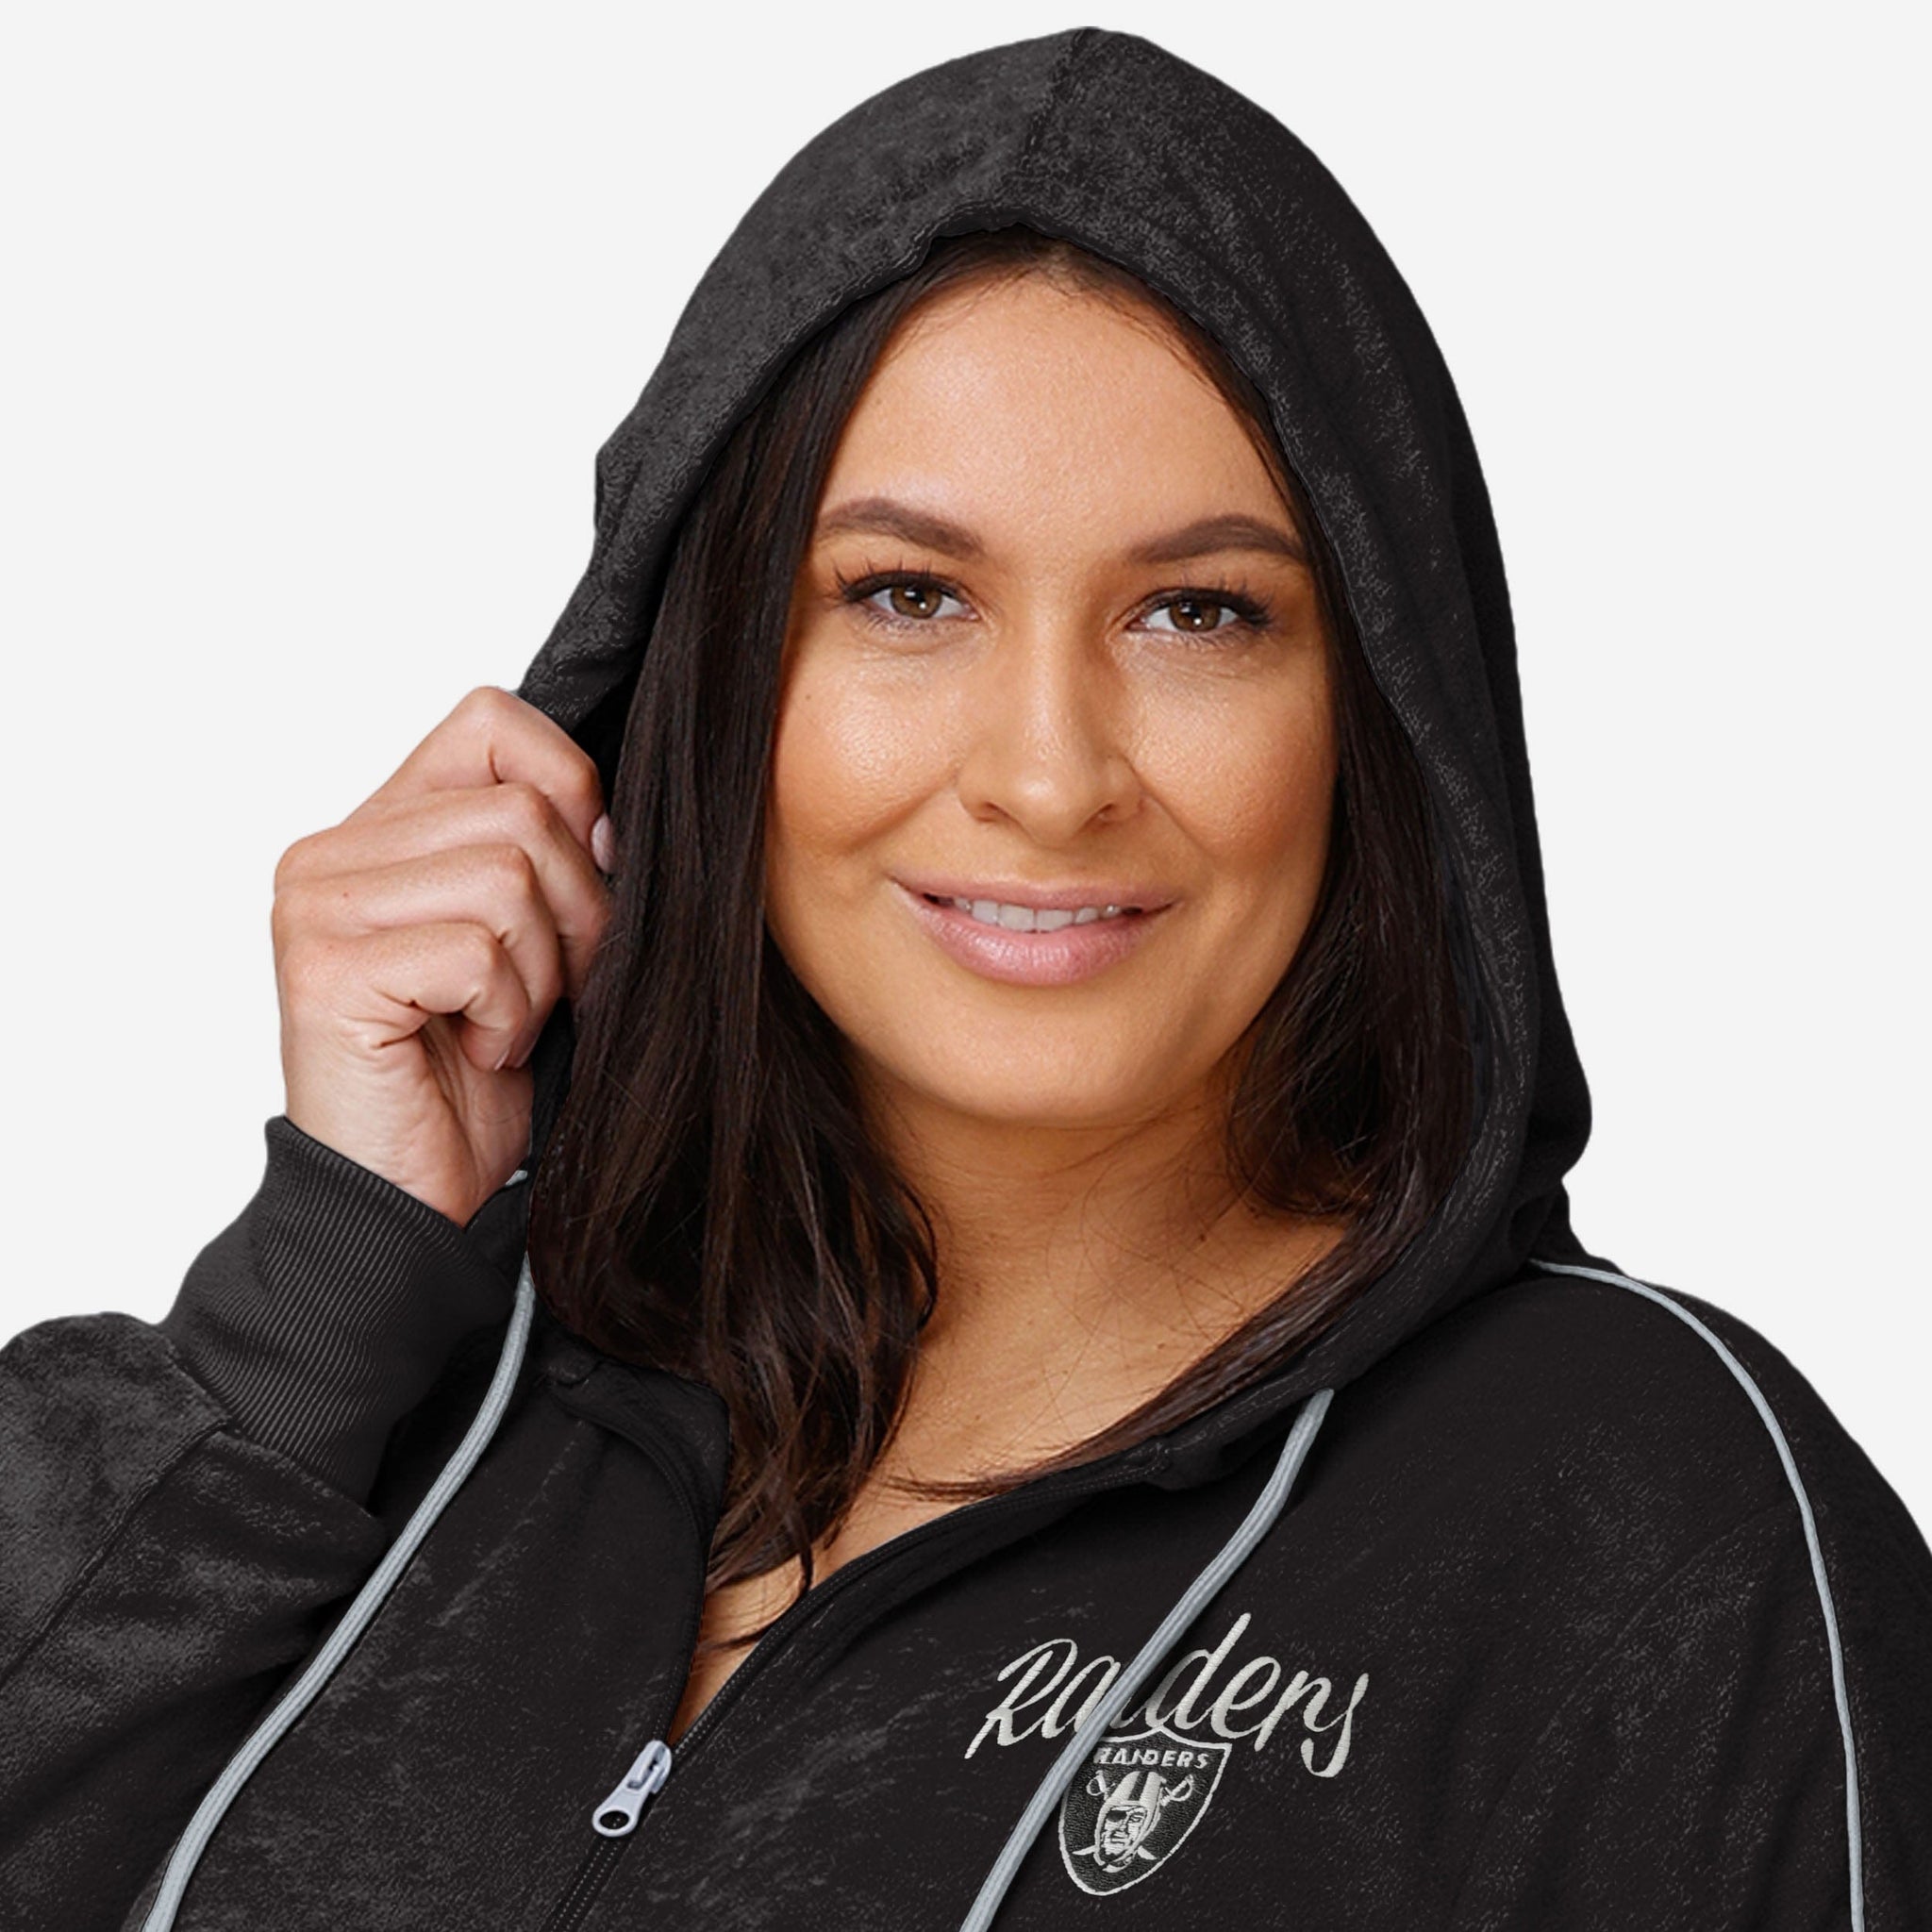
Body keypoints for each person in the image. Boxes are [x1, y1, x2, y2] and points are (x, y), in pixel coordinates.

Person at [2, 25, 1926, 1932]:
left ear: (1380, 712)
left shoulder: (1657, 1520)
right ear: (707, 673)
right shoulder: (397, 1390)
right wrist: (316, 1294)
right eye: (907, 595)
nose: (1047, 773)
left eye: (1199, 612)